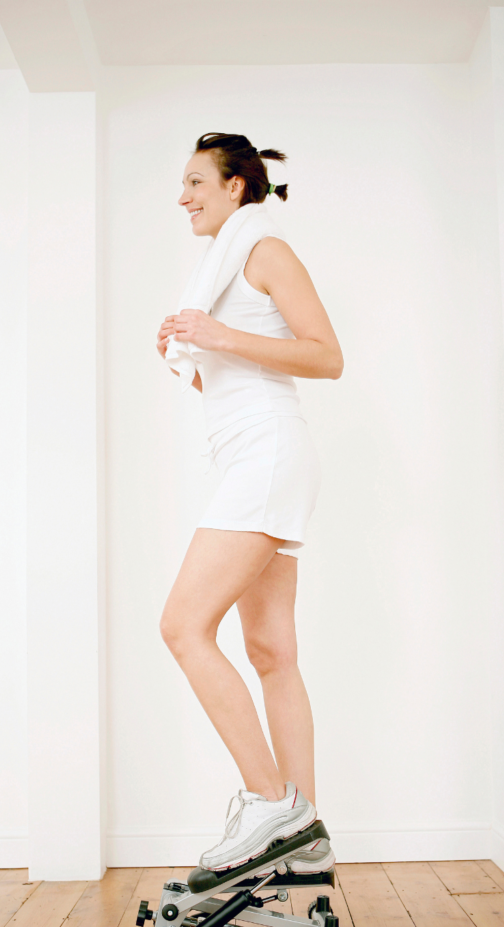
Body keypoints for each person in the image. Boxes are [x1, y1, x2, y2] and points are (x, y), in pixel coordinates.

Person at [156, 133, 343, 874]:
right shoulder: (221, 267)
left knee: (181, 626)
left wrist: (217, 334)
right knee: (270, 652)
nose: (184, 197)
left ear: (237, 187)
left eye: (197, 182)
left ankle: (272, 808)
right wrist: (191, 358)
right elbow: (233, 380)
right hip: (249, 455)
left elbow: (327, 356)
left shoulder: (264, 249)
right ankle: (307, 839)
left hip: (268, 458)